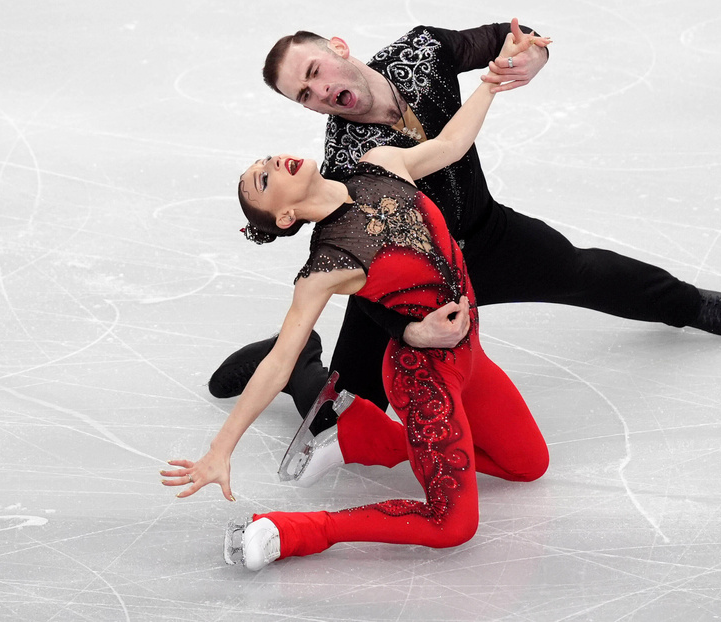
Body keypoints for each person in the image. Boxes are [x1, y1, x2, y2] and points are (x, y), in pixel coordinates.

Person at [208, 18, 721, 456]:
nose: (321, 91)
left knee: (587, 273)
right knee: (336, 424)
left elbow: (511, 38)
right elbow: (363, 275)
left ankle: (689, 305)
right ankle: (300, 366)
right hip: (415, 285)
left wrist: (532, 56)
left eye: (315, 70)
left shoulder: (421, 53)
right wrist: (410, 329)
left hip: (486, 236)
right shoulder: (345, 161)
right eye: (304, 95)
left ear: (337, 48)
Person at [161, 30, 551, 571]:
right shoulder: (325, 266)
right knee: (452, 523)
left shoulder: (379, 163)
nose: (276, 161)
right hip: (423, 379)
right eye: (264, 177)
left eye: (268, 158)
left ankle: (363, 435)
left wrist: (492, 80)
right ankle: (292, 530)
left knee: (528, 466)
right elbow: (278, 363)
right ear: (284, 218)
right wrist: (220, 450)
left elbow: (450, 145)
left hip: (470, 356)